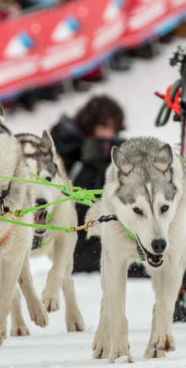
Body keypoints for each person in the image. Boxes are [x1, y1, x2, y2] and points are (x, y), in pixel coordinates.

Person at [49, 94, 126, 272]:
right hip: (73, 236)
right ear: (91, 122)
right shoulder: (65, 141)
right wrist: (90, 161)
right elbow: (63, 186)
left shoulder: (104, 147)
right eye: (104, 126)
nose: (109, 134)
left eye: (113, 129)